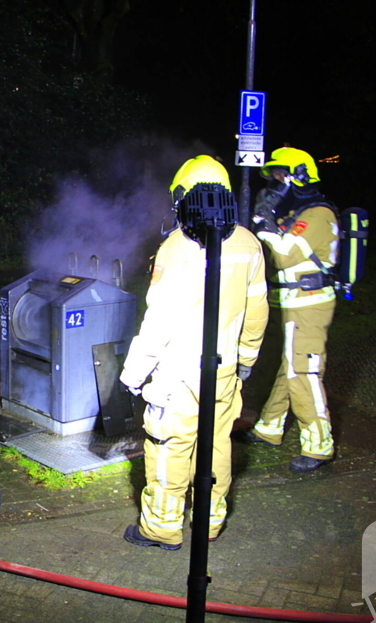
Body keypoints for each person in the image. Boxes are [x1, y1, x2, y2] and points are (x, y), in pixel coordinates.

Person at [118, 155, 269, 550]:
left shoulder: (174, 248)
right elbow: (257, 311)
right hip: (225, 370)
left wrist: (133, 375)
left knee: (169, 445)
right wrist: (248, 359)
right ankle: (210, 522)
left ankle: (161, 529)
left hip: (178, 375)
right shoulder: (250, 244)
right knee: (217, 443)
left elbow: (159, 321)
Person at [232, 147, 339, 473]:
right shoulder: (296, 214)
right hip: (291, 304)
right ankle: (270, 428)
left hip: (309, 306)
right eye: (274, 175)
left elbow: (284, 255)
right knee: (289, 367)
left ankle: (319, 445)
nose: (277, 182)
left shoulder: (318, 215)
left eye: (283, 175)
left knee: (303, 373)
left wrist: (264, 224)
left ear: (302, 177)